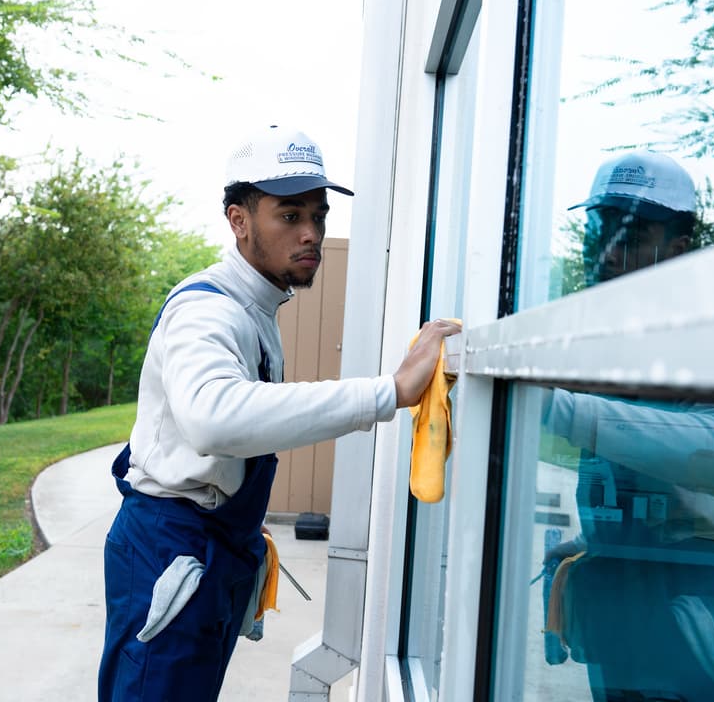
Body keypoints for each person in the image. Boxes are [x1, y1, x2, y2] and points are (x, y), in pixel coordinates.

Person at [98, 124, 461, 702]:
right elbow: (214, 419)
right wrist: (389, 391)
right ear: (239, 220)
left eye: (318, 216)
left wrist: (235, 509)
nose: (311, 233)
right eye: (289, 216)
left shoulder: (256, 305)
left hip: (210, 541)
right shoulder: (207, 311)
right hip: (172, 548)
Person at [541, 151, 714, 701]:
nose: (610, 249)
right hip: (623, 574)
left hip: (688, 584)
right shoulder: (618, 336)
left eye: (634, 234)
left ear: (678, 250)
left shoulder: (709, 332)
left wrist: (568, 411)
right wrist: (589, 541)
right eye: (601, 229)